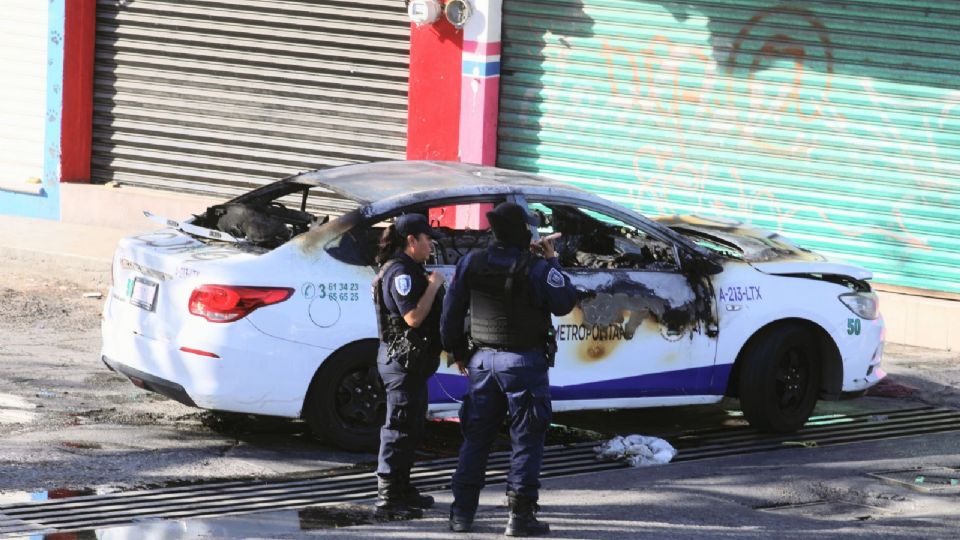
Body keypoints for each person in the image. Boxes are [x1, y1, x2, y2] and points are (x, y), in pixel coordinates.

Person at [441, 202, 578, 537]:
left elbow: (450, 313)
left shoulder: (471, 262)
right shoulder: (537, 267)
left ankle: (461, 514)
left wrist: (458, 351)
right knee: (526, 440)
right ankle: (520, 517)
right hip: (523, 364)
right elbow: (564, 302)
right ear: (521, 231)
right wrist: (551, 260)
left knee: (476, 439)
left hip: (482, 362)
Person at [372, 213, 446, 519]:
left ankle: (402, 487)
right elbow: (413, 318)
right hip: (400, 362)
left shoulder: (410, 268)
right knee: (398, 429)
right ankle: (387, 499)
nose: (431, 245)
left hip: (411, 363)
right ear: (411, 240)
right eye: (427, 239)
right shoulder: (400, 272)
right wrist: (434, 286)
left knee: (412, 427)